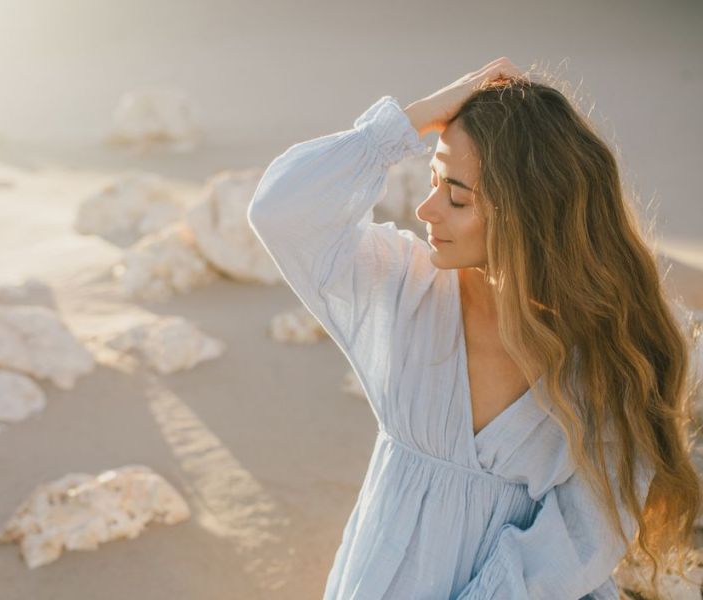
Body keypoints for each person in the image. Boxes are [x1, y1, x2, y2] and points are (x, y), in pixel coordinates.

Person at [247, 57, 701, 599]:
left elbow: (580, 540)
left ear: (530, 216)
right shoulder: (404, 288)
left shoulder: (612, 355)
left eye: (457, 197)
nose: (426, 209)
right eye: (433, 181)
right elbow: (281, 211)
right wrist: (406, 123)